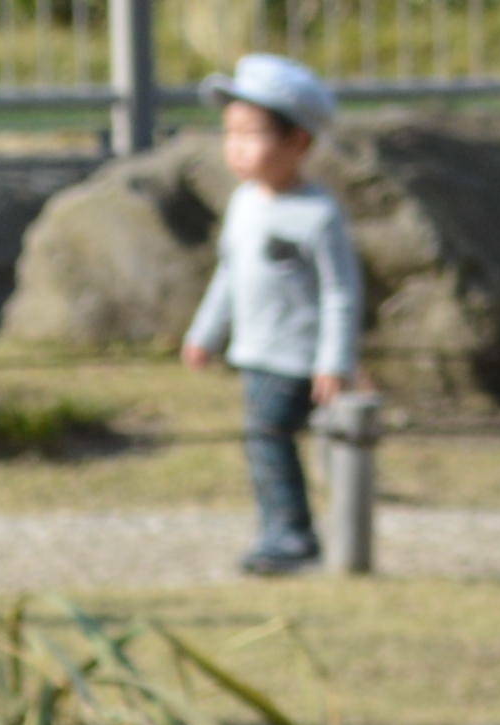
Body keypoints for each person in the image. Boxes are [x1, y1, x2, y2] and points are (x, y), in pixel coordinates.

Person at [175, 50, 356, 579]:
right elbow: (229, 274)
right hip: (254, 351)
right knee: (264, 444)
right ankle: (281, 529)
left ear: (298, 142)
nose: (236, 148)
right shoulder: (245, 204)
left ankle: (291, 535)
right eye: (230, 133)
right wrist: (205, 333)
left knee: (271, 441)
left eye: (251, 135)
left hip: (297, 356)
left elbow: (341, 293)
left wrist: (334, 360)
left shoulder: (319, 215)